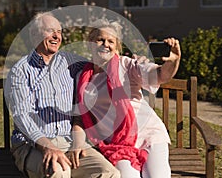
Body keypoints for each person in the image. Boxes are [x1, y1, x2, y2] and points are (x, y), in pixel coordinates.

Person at [4, 12, 120, 178]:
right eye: (50, 31)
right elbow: (22, 116)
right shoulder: (20, 71)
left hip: (70, 142)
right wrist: (47, 146)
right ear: (35, 35)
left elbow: (99, 62)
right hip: (33, 145)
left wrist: (129, 64)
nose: (56, 36)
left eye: (59, 32)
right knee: (59, 172)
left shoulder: (70, 62)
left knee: (109, 173)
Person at [70, 19, 181, 178]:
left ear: (117, 46)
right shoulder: (83, 78)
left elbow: (159, 76)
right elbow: (80, 117)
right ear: (90, 43)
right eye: (100, 39)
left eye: (111, 41)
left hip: (149, 134)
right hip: (118, 144)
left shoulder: (127, 65)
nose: (105, 44)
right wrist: (77, 142)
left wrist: (173, 61)